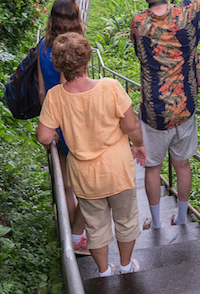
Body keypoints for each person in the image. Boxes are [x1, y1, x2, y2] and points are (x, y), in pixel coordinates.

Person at [36, 32, 147, 277]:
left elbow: (44, 136)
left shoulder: (55, 96)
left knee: (95, 226)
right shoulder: (111, 87)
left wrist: (55, 136)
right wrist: (138, 144)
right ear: (87, 59)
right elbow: (131, 126)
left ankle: (104, 271)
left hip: (85, 175)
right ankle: (127, 266)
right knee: (126, 219)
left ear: (57, 64)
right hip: (117, 169)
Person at [129, 0, 200, 229]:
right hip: (185, 107)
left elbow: (142, 55)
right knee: (182, 165)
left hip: (154, 112)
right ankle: (181, 218)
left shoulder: (138, 24)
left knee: (152, 169)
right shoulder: (187, 13)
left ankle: (156, 223)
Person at [38, 0, 88, 254]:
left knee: (67, 186)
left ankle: (72, 234)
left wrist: (49, 123)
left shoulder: (43, 47)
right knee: (87, 186)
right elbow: (68, 90)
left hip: (52, 121)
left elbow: (41, 91)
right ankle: (76, 238)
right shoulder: (71, 48)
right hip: (71, 125)